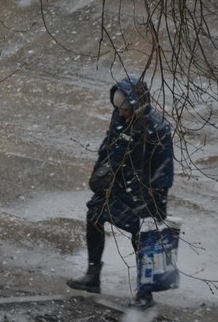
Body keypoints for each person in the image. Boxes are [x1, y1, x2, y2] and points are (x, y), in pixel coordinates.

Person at [66, 77, 174, 309]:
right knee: (94, 216)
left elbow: (164, 171)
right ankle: (92, 277)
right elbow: (107, 146)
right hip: (115, 186)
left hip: (142, 194)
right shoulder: (119, 117)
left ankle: (145, 294)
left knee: (142, 240)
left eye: (126, 110)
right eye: (119, 110)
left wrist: (157, 205)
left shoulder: (158, 128)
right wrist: (100, 172)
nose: (122, 114)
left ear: (138, 105)